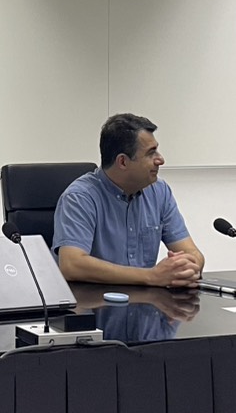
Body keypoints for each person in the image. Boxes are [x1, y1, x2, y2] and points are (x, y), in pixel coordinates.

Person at [54, 112, 204, 288]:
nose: (160, 160)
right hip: (94, 301)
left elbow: (192, 252)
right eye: (151, 153)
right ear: (123, 162)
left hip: (146, 300)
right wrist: (151, 276)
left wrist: (188, 268)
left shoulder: (159, 191)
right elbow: (71, 265)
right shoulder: (80, 198)